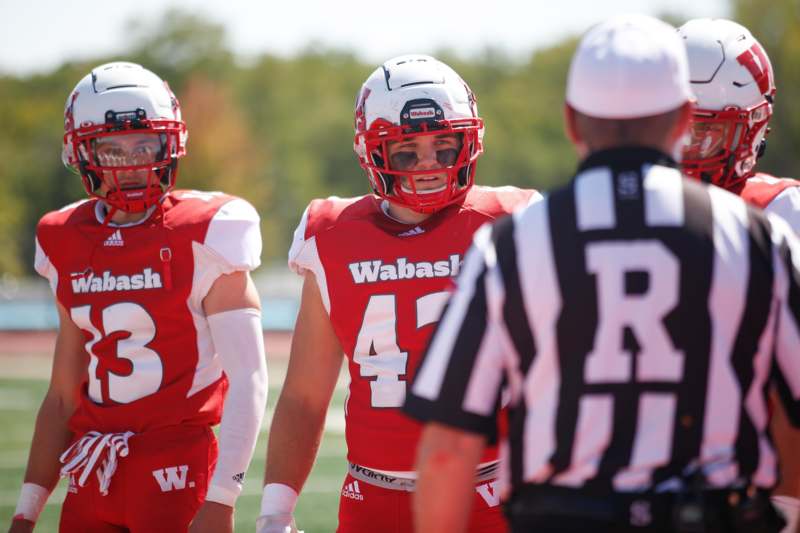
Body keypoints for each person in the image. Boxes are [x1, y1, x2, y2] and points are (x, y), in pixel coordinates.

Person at [404, 15, 800, 533]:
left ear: (571, 122)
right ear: (684, 119)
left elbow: (448, 447)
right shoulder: (755, 236)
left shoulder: (513, 243)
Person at [256, 54, 540, 533]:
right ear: (373, 152)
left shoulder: (514, 221)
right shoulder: (331, 234)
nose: (428, 163)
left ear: (470, 142)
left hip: (493, 491)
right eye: (407, 151)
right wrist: (276, 513)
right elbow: (306, 396)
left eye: (444, 147)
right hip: (375, 497)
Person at [9, 62, 267, 533]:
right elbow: (64, 396)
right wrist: (28, 508)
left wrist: (224, 497)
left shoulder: (207, 230)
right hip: (93, 465)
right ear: (82, 152)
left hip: (176, 462)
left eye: (145, 144)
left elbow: (249, 377)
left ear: (170, 144)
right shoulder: (64, 236)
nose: (131, 163)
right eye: (111, 149)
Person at [679, 19, 800, 532]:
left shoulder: (781, 211)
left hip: (758, 476)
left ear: (751, 127)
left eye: (706, 133)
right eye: (677, 129)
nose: (686, 150)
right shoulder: (622, 209)